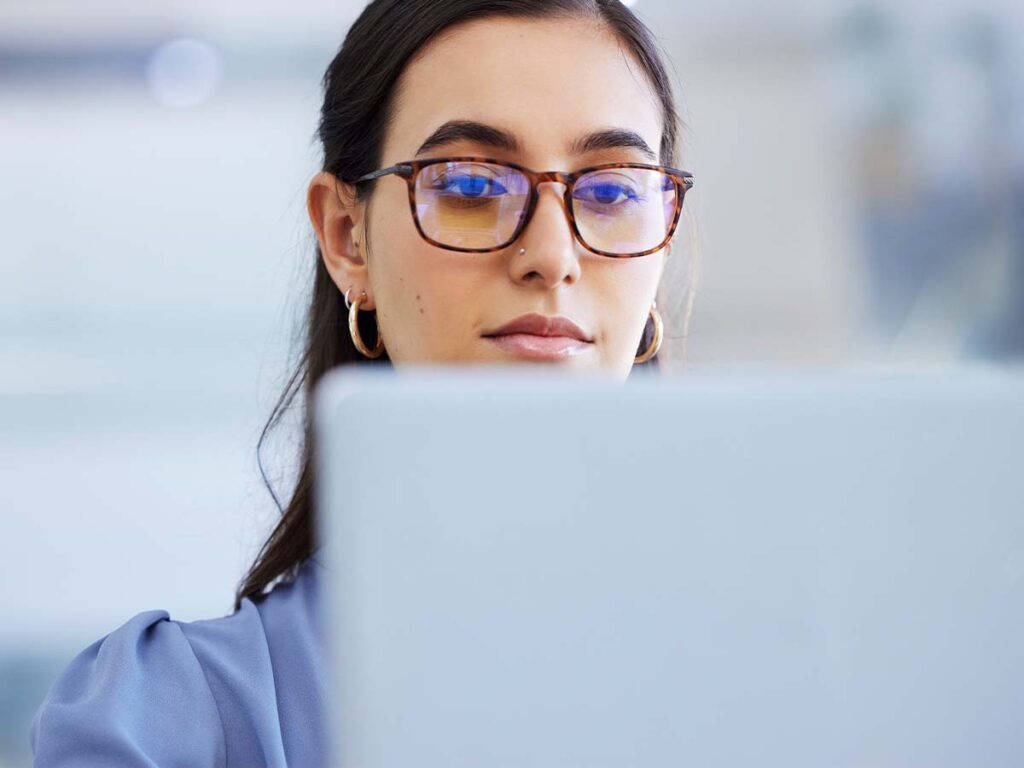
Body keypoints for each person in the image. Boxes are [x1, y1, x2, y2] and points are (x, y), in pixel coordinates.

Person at [30, 0, 695, 764]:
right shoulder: (161, 724)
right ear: (348, 238)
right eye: (473, 187)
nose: (552, 255)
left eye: (612, 192)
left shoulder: (775, 670)